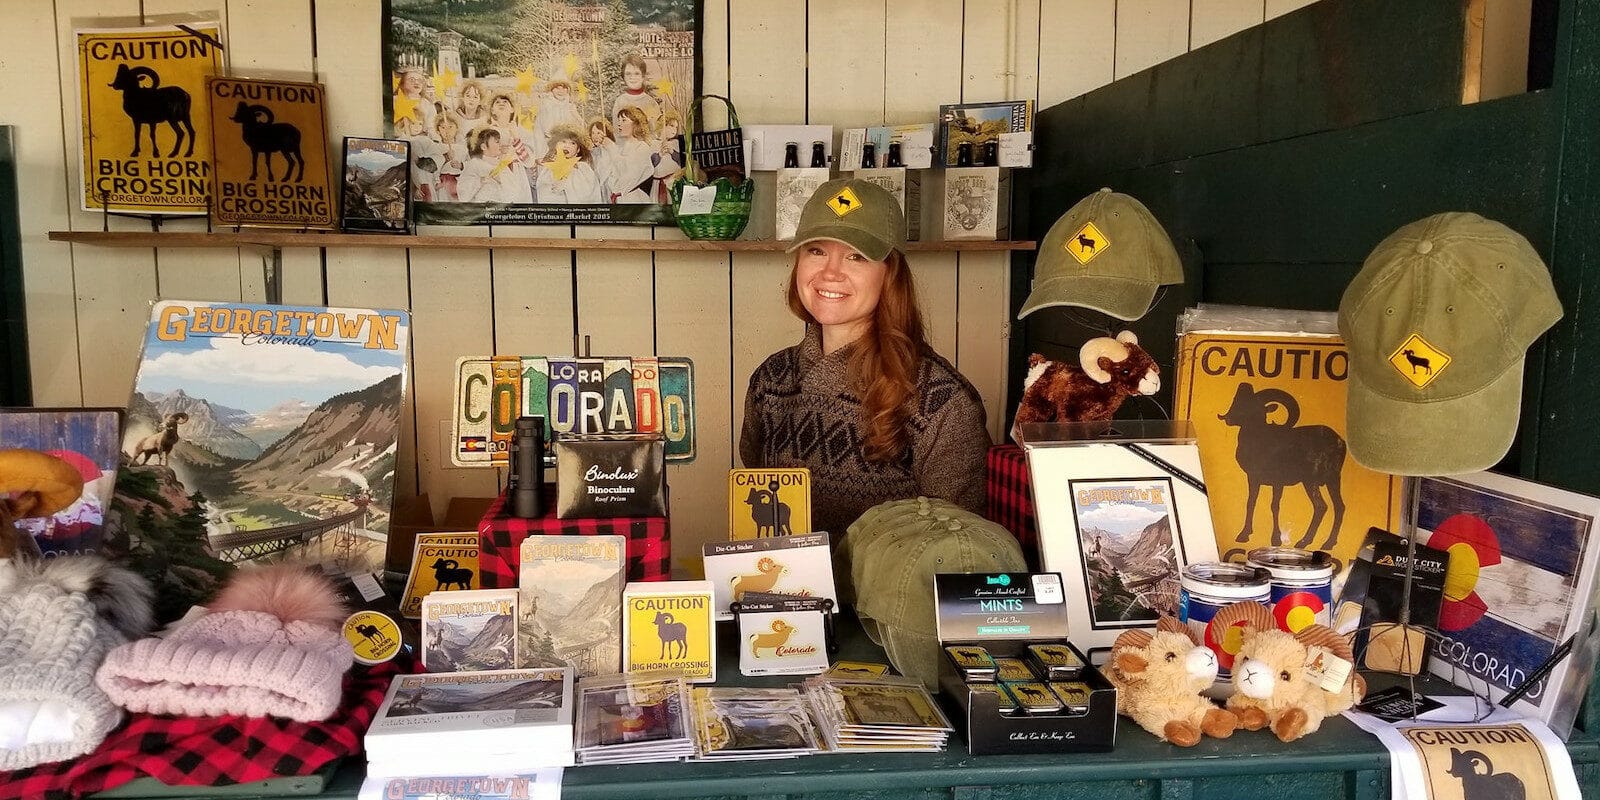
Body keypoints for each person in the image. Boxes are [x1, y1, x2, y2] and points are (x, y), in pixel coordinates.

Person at [740, 178, 991, 536]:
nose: (830, 272)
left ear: (890, 274)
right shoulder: (770, 379)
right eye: (816, 251)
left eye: (856, 256)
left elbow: (957, 551)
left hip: (890, 593)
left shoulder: (943, 402)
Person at [534, 126, 603, 204]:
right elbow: (542, 191)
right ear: (556, 145)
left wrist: (567, 185)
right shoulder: (549, 167)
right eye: (563, 141)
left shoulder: (582, 168)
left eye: (572, 143)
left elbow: (588, 193)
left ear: (578, 150)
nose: (567, 146)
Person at [610, 106, 655, 204]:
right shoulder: (620, 149)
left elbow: (632, 176)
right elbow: (612, 175)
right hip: (619, 199)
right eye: (619, 120)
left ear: (635, 124)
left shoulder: (642, 148)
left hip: (635, 199)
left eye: (623, 120)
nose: (619, 124)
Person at [611, 53, 662, 132]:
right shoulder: (620, 101)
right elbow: (616, 130)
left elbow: (657, 131)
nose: (632, 77)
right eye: (628, 74)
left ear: (643, 76)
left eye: (637, 73)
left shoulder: (650, 102)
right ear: (623, 76)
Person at [587, 116, 618, 201]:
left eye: (598, 133)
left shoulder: (612, 148)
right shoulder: (593, 151)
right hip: (597, 188)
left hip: (610, 186)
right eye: (593, 133)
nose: (595, 136)